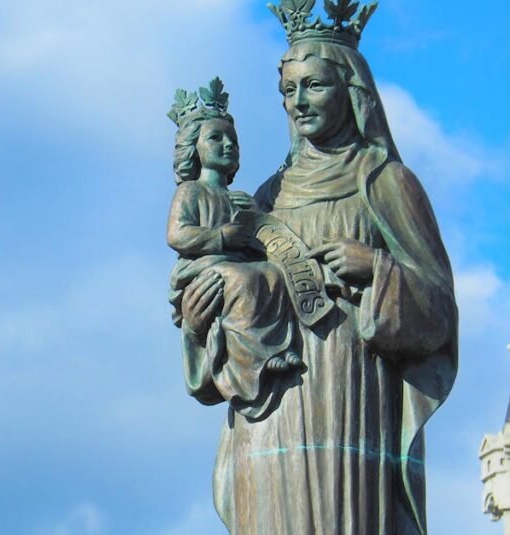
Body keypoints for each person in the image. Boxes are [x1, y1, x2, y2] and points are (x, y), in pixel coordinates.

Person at [176, 26, 458, 535]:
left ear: (350, 91)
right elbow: (226, 315)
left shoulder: (385, 182)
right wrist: (198, 330)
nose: (298, 102)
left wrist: (376, 267)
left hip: (347, 397)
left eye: (314, 86)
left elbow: (438, 312)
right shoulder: (264, 199)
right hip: (266, 411)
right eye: (289, 90)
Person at [167, 79, 303, 419]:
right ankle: (250, 362)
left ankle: (272, 348)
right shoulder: (191, 192)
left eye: (233, 139)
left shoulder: (241, 198)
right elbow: (177, 235)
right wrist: (224, 238)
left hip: (238, 267)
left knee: (270, 276)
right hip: (204, 268)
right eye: (216, 138)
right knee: (244, 281)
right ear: (192, 149)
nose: (228, 144)